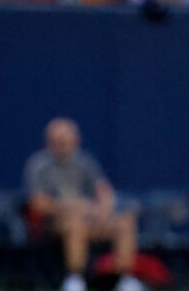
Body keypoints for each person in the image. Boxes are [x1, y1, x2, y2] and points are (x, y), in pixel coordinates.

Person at [23, 119, 143, 291]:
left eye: (66, 141)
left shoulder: (85, 162)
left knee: (125, 222)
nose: (62, 146)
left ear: (75, 141)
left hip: (91, 219)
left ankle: (124, 278)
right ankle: (75, 279)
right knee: (75, 223)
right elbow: (37, 203)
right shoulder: (38, 165)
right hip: (55, 224)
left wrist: (102, 211)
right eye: (58, 141)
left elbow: (103, 191)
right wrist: (68, 207)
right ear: (49, 142)